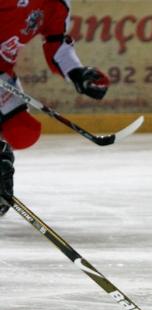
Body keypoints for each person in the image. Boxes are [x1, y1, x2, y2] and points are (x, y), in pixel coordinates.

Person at [1, 0, 110, 215]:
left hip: (1, 76)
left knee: (23, 131)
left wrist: (76, 72)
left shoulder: (55, 4)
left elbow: (56, 41)